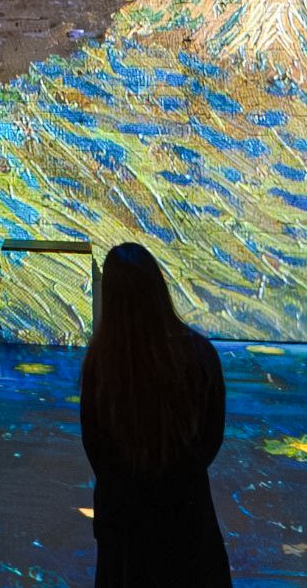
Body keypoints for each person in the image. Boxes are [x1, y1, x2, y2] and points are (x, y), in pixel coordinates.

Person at [78, 242, 230, 587]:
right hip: (185, 510)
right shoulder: (199, 353)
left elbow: (95, 447)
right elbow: (211, 437)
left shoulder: (100, 363)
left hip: (123, 518)